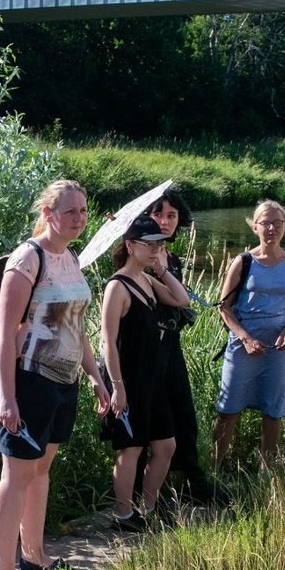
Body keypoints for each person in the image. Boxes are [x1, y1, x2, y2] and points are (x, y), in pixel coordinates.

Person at [0, 179, 113, 570]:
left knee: (41, 470)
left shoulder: (71, 257)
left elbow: (76, 327)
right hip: (30, 380)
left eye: (83, 210)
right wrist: (8, 398)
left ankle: (34, 555)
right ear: (47, 213)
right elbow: (5, 336)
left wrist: (96, 377)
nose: (79, 218)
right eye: (69, 211)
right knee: (17, 475)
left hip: (65, 382)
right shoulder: (29, 258)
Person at [100, 212, 191, 529]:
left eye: (160, 243)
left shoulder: (147, 280)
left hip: (154, 380)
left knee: (166, 445)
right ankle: (123, 514)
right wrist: (117, 387)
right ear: (129, 245)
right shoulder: (117, 286)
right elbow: (107, 342)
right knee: (131, 448)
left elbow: (181, 300)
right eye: (149, 244)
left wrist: (162, 269)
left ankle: (149, 508)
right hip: (130, 381)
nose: (156, 248)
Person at [212, 200, 285, 470]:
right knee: (228, 410)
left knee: (273, 412)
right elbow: (224, 307)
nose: (272, 228)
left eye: (278, 223)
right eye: (266, 222)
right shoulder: (243, 262)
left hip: (278, 348)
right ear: (255, 227)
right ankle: (214, 471)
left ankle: (268, 472)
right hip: (243, 345)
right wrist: (245, 337)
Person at [142, 189, 217, 504]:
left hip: (171, 343)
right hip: (148, 347)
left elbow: (177, 301)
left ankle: (191, 481)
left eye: (172, 215)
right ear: (147, 216)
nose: (166, 221)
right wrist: (158, 271)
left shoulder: (170, 257)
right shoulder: (141, 255)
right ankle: (149, 495)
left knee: (185, 414)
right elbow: (165, 299)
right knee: (153, 422)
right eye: (159, 214)